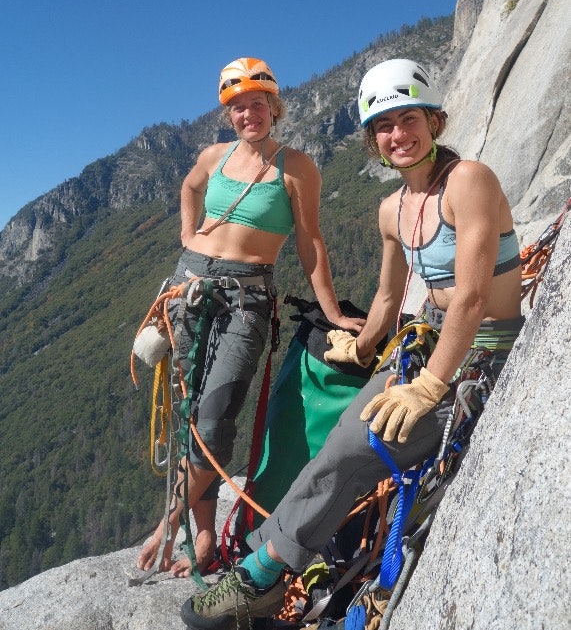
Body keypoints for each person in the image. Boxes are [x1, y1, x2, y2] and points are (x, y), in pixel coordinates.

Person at [179, 58, 524, 629]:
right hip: (425, 341)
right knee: (338, 435)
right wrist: (361, 347)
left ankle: (263, 575)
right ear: (371, 140)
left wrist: (432, 385)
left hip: (479, 353)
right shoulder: (393, 210)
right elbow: (388, 301)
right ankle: (264, 558)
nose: (398, 135)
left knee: (357, 447)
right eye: (384, 127)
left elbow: (469, 296)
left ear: (433, 121)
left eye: (409, 118)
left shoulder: (469, 181)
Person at [136, 57, 364, 578]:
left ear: (273, 108)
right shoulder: (213, 156)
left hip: (246, 299)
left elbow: (310, 242)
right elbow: (190, 188)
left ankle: (167, 526)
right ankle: (204, 531)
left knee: (216, 415)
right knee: (191, 412)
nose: (248, 114)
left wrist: (331, 311)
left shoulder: (296, 166)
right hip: (190, 287)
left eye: (256, 104)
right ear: (228, 115)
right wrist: (187, 235)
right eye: (237, 107)